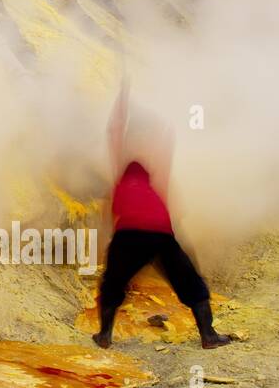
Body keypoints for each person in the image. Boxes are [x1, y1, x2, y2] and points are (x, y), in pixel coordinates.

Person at [93, 81, 232, 349]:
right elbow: (168, 136)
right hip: (160, 235)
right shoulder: (158, 183)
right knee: (190, 282)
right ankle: (208, 336)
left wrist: (122, 97)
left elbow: (114, 131)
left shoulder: (119, 180)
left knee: (112, 284)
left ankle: (104, 335)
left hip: (128, 236)